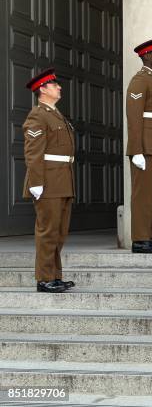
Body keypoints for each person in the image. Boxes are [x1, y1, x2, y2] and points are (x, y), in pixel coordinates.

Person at [23, 68, 76, 293]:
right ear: (43, 89)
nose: (59, 87)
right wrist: (36, 181)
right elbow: (33, 151)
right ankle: (44, 279)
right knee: (47, 231)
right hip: (48, 181)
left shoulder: (55, 114)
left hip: (62, 179)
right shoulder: (38, 114)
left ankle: (54, 275)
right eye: (55, 85)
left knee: (59, 231)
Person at [126, 38, 152, 253]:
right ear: (146, 56)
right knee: (142, 194)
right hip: (145, 146)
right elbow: (134, 118)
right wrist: (136, 150)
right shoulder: (140, 80)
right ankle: (140, 239)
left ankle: (147, 237)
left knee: (150, 194)